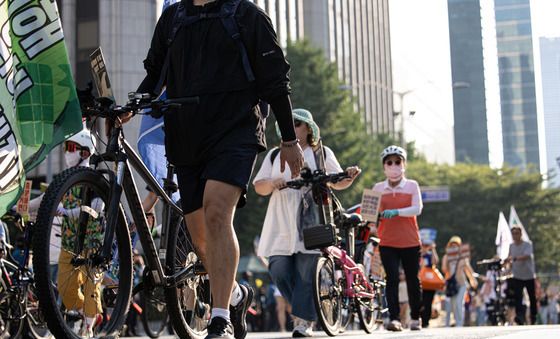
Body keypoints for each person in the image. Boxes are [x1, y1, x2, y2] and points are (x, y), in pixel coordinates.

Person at [135, 1, 305, 338]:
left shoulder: (247, 15)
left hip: (235, 131)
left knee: (216, 213)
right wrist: (132, 104)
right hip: (185, 134)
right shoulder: (173, 18)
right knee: (199, 234)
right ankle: (236, 295)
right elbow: (155, 74)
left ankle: (220, 318)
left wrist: (288, 138)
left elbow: (275, 80)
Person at [253, 108, 361, 337]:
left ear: (309, 128)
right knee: (278, 269)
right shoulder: (274, 154)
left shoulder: (320, 152)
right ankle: (310, 308)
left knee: (306, 272)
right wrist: (273, 183)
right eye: (288, 124)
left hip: (312, 217)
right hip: (280, 219)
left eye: (297, 123)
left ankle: (303, 323)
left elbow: (337, 181)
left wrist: (348, 176)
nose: (292, 128)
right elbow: (259, 186)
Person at [372, 145, 423, 331]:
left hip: (410, 241)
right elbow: (370, 214)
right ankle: (394, 318)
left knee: (412, 279)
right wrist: (370, 227)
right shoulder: (378, 188)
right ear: (384, 166)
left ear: (404, 164)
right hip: (387, 241)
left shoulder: (412, 186)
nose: (393, 165)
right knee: (392, 279)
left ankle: (416, 318)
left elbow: (417, 208)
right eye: (389, 162)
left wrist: (397, 212)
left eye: (397, 161)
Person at [442, 236, 475, 327]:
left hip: (462, 283)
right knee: (453, 305)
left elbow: (468, 270)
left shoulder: (463, 258)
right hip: (452, 285)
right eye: (452, 245)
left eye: (456, 245)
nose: (454, 247)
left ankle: (459, 323)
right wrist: (448, 260)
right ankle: (457, 321)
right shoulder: (447, 257)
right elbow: (444, 269)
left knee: (459, 303)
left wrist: (473, 280)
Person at [506, 225, 537, 325]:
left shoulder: (527, 244)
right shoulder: (511, 246)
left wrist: (514, 259)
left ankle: (533, 317)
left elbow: (526, 256)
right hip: (517, 275)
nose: (515, 236)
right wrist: (507, 264)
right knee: (518, 297)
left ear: (521, 234)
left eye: (516, 233)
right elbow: (509, 258)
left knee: (532, 297)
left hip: (528, 275)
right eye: (513, 234)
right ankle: (520, 316)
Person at [420, 240, 440, 328]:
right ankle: (418, 318)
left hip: (429, 282)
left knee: (428, 302)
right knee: (420, 301)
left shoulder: (430, 255)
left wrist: (433, 249)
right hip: (420, 281)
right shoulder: (419, 255)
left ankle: (426, 321)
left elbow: (435, 261)